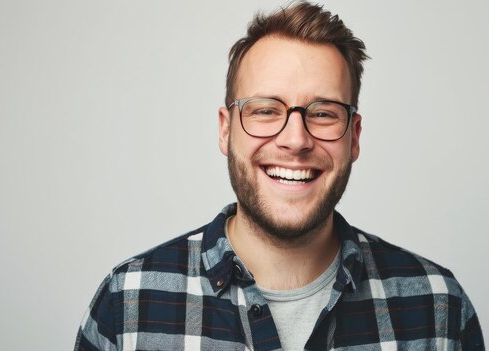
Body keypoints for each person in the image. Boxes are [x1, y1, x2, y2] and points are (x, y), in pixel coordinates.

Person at [74, 2, 484, 350]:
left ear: (354, 137)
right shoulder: (128, 305)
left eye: (323, 113)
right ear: (225, 129)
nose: (295, 139)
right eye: (266, 109)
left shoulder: (439, 310)